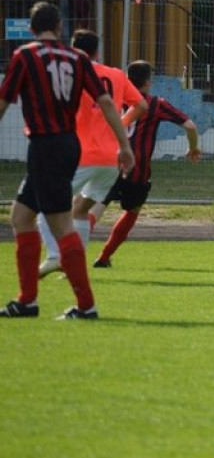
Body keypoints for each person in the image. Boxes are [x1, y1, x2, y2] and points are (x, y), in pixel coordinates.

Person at [0, 3, 133, 319]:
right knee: (20, 216)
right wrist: (124, 144)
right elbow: (106, 103)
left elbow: (3, 102)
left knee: (61, 224)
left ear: (32, 29)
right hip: (67, 144)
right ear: (59, 28)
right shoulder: (77, 58)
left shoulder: (26, 56)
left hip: (46, 145)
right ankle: (27, 300)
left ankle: (86, 306)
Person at [38, 30, 148, 277]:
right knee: (79, 210)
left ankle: (55, 256)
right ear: (97, 51)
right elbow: (141, 105)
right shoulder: (117, 75)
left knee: (43, 202)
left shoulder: (71, 74)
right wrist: (120, 122)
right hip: (110, 159)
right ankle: (73, 267)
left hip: (79, 154)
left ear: (73, 49)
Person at [90, 60, 201, 267]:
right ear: (148, 82)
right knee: (132, 211)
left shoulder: (111, 100)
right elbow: (190, 126)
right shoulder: (155, 104)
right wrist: (193, 148)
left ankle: (69, 257)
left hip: (108, 163)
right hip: (137, 170)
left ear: (126, 78)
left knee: (96, 208)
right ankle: (104, 257)